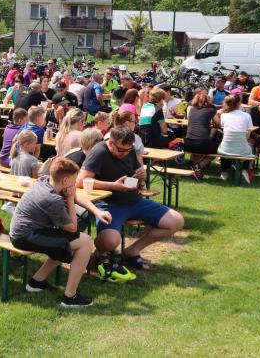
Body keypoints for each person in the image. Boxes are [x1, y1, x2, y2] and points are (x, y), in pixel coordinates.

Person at [77, 126, 184, 278]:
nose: (125, 153)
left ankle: (132, 250)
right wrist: (113, 186)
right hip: (109, 204)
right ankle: (100, 253)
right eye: (121, 150)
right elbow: (80, 181)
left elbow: (137, 176)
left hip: (134, 201)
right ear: (111, 143)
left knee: (176, 221)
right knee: (110, 241)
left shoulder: (129, 149)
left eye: (128, 150)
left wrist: (142, 175)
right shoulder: (99, 151)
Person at [11, 158, 107, 307]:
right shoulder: (52, 199)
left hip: (24, 231)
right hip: (25, 236)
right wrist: (70, 199)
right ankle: (70, 297)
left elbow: (76, 195)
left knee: (70, 242)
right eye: (74, 180)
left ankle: (36, 282)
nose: (75, 184)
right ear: (65, 180)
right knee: (85, 242)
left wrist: (97, 212)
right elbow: (73, 227)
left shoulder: (45, 181)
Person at [217, 93, 254, 182]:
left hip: (225, 150)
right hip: (242, 150)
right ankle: (244, 169)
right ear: (239, 103)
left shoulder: (224, 115)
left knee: (224, 146)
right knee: (249, 147)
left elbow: (223, 128)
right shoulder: (247, 116)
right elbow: (248, 135)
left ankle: (224, 171)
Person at [183, 92, 220, 176]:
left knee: (200, 145)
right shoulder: (211, 109)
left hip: (188, 143)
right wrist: (212, 125)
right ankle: (198, 166)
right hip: (202, 143)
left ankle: (192, 163)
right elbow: (218, 123)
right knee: (218, 149)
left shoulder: (191, 109)